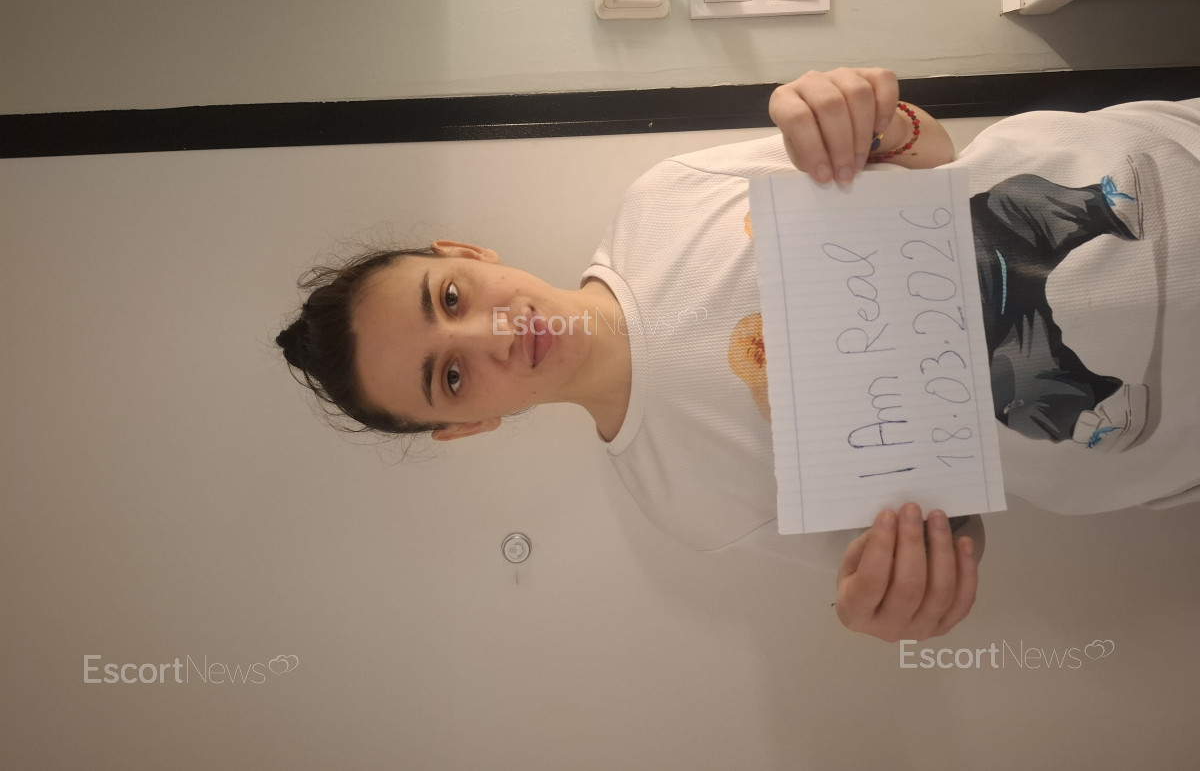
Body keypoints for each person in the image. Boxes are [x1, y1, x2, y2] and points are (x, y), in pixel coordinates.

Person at [277, 68, 1200, 644]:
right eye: (450, 376)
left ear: (466, 255)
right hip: (1168, 429)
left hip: (1167, 168)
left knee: (1028, 210)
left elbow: (928, 157)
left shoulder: (666, 196)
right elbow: (953, 524)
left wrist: (870, 117)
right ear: (467, 426)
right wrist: (900, 592)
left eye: (450, 300)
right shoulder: (686, 502)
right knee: (1046, 391)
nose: (493, 334)